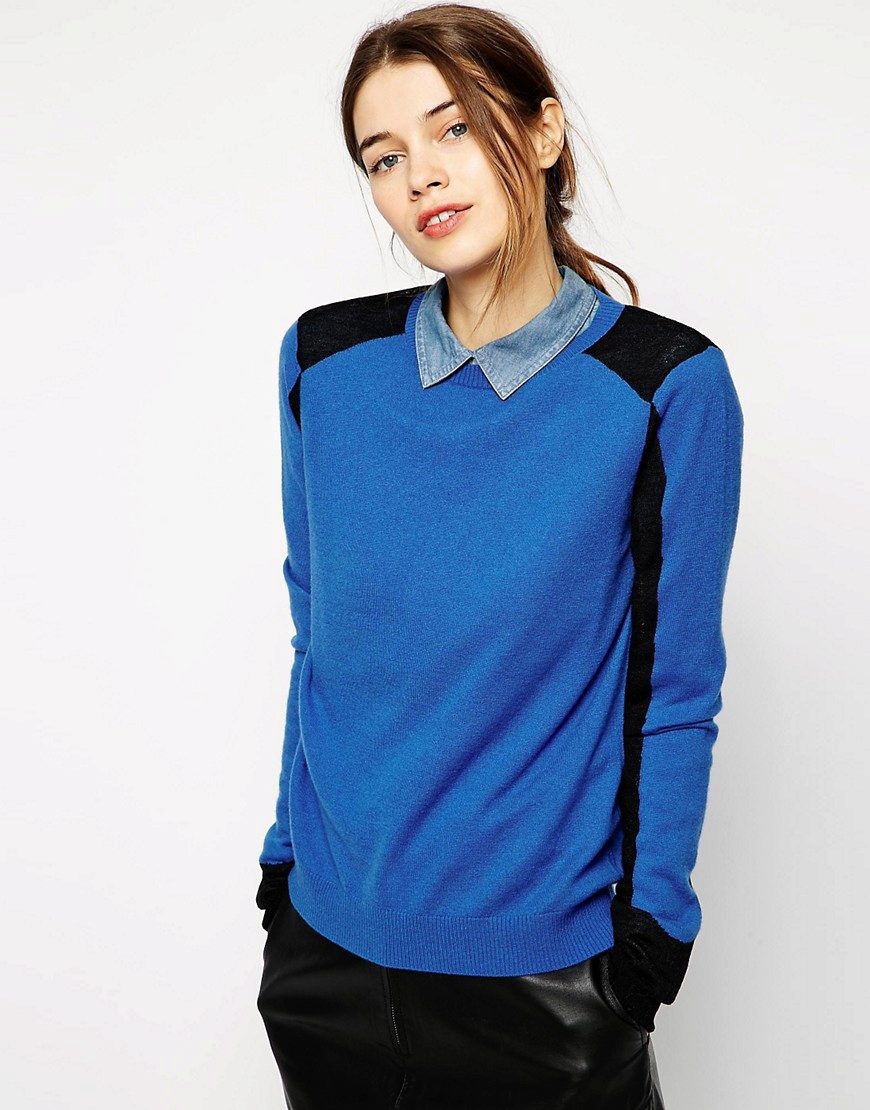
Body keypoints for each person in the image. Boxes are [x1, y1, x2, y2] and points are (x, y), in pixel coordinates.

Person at [255, 5, 744, 1108]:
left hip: (547, 982)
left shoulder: (662, 386)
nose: (421, 175)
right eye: (384, 156)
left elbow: (674, 688)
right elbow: (316, 629)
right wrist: (284, 864)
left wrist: (648, 943)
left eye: (455, 129)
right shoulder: (324, 363)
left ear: (542, 131)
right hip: (327, 958)